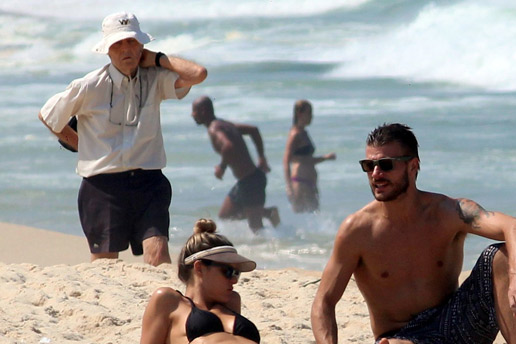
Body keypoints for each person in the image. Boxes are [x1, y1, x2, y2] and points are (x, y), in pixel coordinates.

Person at [311, 123, 516, 344]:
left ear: (413, 166)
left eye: (386, 165)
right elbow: (323, 302)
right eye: (368, 166)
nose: (376, 174)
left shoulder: (447, 212)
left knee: (501, 257)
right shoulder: (357, 231)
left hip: (457, 329)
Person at [134, 218, 387, 344]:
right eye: (228, 271)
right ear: (199, 268)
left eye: (237, 273)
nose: (234, 280)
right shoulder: (168, 300)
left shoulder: (231, 301)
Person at [38, 12, 207, 266]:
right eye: (118, 44)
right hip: (102, 186)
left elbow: (198, 74)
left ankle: (159, 305)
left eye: (132, 42)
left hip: (149, 182)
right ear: (107, 49)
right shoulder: (88, 85)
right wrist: (79, 145)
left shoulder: (155, 79)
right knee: (104, 266)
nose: (126, 49)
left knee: (159, 257)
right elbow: (48, 114)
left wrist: (159, 59)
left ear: (142, 45)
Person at [191, 96, 280, 233]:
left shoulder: (214, 129)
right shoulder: (224, 124)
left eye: (194, 111)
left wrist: (222, 167)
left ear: (203, 111)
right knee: (225, 216)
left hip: (252, 182)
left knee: (256, 229)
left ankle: (274, 242)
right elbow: (254, 130)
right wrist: (262, 157)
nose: (192, 114)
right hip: (245, 181)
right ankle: (267, 213)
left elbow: (228, 146)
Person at [283, 100, 336, 213]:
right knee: (303, 217)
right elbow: (286, 160)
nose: (311, 116)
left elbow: (307, 160)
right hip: (300, 181)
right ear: (299, 114)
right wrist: (289, 186)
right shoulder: (295, 134)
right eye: (309, 113)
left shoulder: (303, 132)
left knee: (314, 219)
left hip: (310, 182)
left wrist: (325, 158)